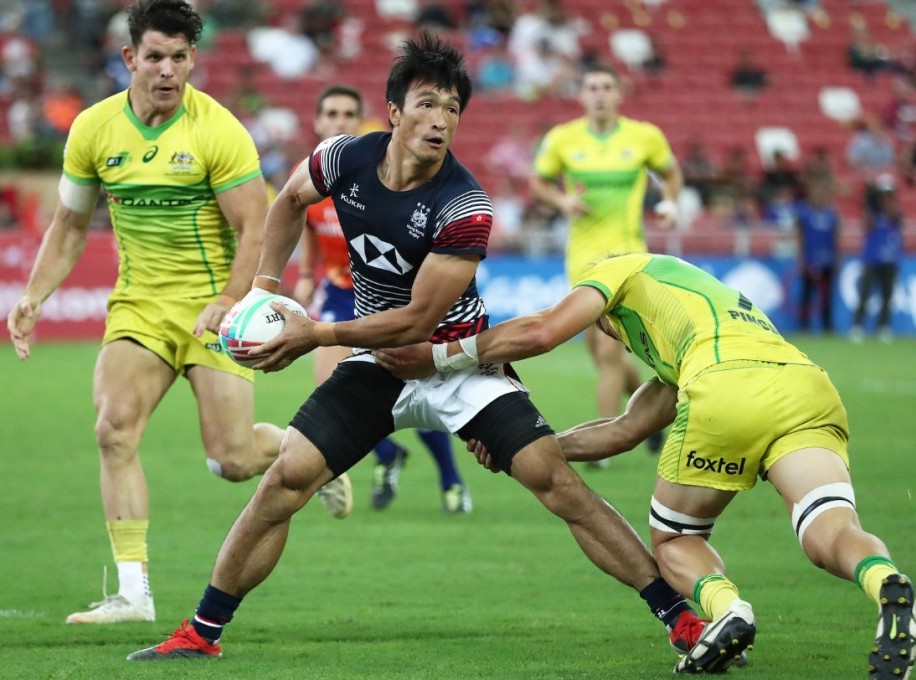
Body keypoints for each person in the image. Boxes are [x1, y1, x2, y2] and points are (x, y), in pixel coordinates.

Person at [127, 33, 705, 662]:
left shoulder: (464, 205)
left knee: (557, 483)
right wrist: (264, 289)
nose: (441, 120)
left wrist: (312, 335)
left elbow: (417, 320)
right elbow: (288, 200)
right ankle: (201, 633)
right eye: (427, 104)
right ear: (395, 112)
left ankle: (679, 617)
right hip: (377, 364)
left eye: (453, 109)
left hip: (460, 363)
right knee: (283, 481)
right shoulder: (341, 158)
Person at [375, 252, 914, 676]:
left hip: (724, 386)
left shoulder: (620, 270)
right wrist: (524, 445)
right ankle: (886, 582)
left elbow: (541, 331)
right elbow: (622, 432)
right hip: (805, 385)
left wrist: (442, 356)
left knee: (676, 541)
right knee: (830, 528)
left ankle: (726, 610)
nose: (604, 330)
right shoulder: (702, 316)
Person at [6, 0, 350, 627]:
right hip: (139, 307)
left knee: (232, 460)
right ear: (130, 57)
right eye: (156, 56)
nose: (167, 69)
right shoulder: (94, 129)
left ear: (193, 59)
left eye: (180, 58)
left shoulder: (217, 130)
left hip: (218, 308)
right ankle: (133, 594)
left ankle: (295, 450)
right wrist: (34, 295)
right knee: (112, 430)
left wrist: (227, 300)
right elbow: (69, 224)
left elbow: (256, 228)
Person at [293, 83, 471, 514]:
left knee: (415, 394)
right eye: (330, 114)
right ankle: (387, 455)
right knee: (331, 391)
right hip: (340, 294)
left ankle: (450, 479)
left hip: (390, 301)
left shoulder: (375, 170)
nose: (338, 122)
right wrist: (303, 275)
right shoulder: (318, 182)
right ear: (318, 122)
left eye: (347, 115)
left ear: (363, 121)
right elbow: (309, 228)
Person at [529, 62, 681, 467]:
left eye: (605, 87)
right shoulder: (563, 139)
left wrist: (669, 203)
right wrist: (562, 202)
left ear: (618, 94)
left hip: (629, 256)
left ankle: (603, 441)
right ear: (582, 96)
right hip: (582, 258)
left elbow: (670, 174)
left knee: (610, 350)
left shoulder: (644, 136)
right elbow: (538, 183)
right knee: (601, 349)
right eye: (591, 87)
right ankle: (644, 415)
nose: (598, 94)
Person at [851, 175, 904, 343]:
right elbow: (867, 225)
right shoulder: (872, 214)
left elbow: (898, 220)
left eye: (889, 195)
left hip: (890, 260)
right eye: (884, 195)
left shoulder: (895, 213)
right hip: (872, 260)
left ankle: (883, 326)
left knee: (887, 296)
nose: (887, 199)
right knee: (865, 294)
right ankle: (858, 326)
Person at [795, 181, 840, 334]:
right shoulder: (805, 214)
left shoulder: (832, 214)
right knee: (807, 295)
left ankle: (827, 326)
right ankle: (804, 326)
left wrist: (838, 259)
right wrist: (800, 259)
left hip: (827, 261)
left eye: (822, 195)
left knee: (826, 296)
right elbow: (800, 237)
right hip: (810, 260)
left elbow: (836, 239)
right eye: (816, 195)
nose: (819, 197)